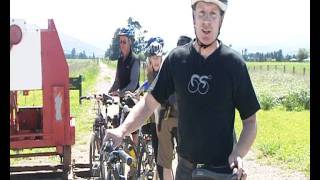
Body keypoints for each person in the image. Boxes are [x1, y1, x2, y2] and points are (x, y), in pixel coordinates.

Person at [104, 0, 260, 179]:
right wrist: (122, 130)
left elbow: (250, 121)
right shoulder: (177, 60)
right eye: (201, 12)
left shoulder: (234, 64)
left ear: (221, 20)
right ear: (193, 17)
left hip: (222, 170)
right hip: (186, 169)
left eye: (213, 13)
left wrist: (238, 153)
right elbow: (148, 104)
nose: (206, 21)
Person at [155, 35, 192, 180]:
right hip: (182, 122)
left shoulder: (171, 64)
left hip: (166, 119)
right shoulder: (194, 68)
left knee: (167, 163)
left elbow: (155, 92)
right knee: (184, 162)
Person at [108, 25, 141, 128]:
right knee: (119, 126)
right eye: (120, 42)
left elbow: (133, 83)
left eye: (124, 42)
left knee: (132, 131)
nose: (121, 44)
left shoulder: (135, 59)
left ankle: (135, 143)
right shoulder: (120, 60)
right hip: (122, 99)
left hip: (132, 99)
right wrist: (108, 93)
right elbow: (117, 81)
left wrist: (119, 93)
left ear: (130, 42)